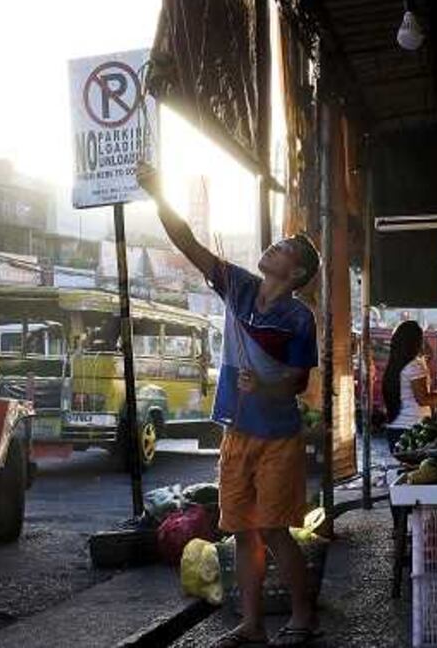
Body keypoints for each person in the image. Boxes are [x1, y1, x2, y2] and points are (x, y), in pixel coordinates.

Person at [137, 163, 321, 648]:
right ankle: (253, 624)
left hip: (278, 438)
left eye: (282, 248)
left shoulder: (300, 319)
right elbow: (187, 241)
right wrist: (159, 193)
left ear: (295, 271)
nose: (272, 248)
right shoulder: (237, 285)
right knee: (242, 531)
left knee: (275, 531)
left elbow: (298, 383)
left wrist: (264, 384)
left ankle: (303, 616)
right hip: (236, 433)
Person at [382, 320, 437, 450]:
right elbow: (423, 400)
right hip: (412, 430)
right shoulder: (414, 365)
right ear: (415, 341)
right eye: (421, 338)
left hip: (395, 429)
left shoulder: (395, 365)